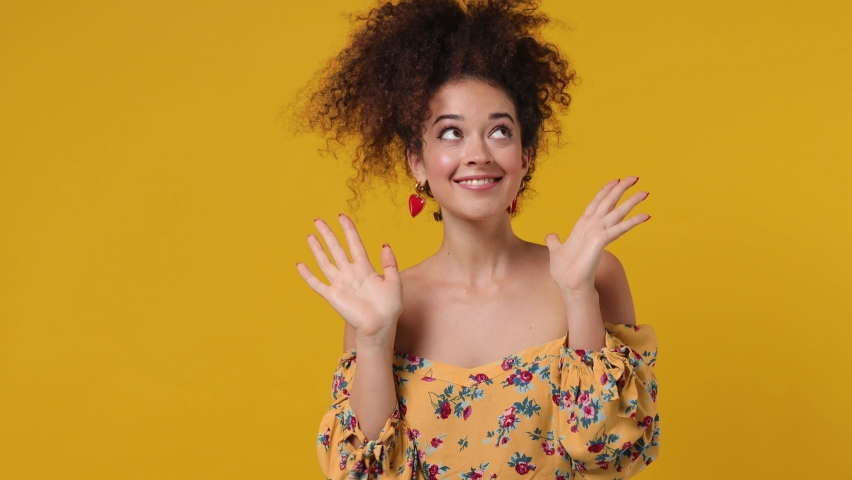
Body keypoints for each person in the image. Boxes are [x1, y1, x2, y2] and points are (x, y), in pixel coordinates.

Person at [294, 0, 660, 478]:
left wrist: (577, 296)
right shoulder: (386, 306)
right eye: (450, 133)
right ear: (417, 162)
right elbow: (367, 474)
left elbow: (608, 452)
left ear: (525, 156)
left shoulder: (592, 276)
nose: (478, 154)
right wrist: (375, 337)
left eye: (500, 131)